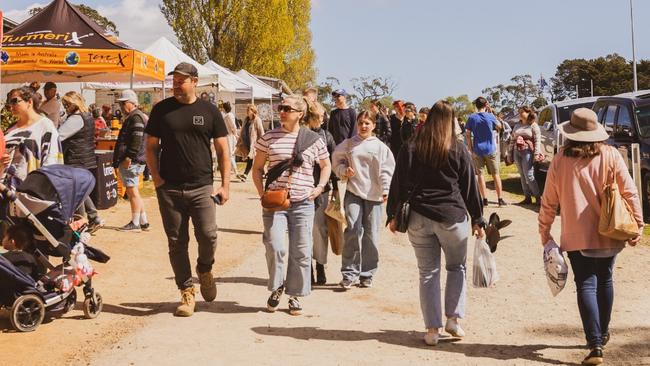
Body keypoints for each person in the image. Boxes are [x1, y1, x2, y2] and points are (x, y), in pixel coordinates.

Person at [538, 108, 643, 365]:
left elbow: (548, 201)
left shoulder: (561, 160)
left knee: (585, 283)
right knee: (606, 279)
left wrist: (545, 230)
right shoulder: (611, 155)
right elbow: (630, 191)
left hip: (576, 234)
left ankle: (595, 343)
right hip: (611, 230)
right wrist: (638, 224)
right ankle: (603, 332)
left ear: (571, 134)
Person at [387, 100, 485, 346]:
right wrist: (478, 218)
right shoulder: (458, 148)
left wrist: (392, 214)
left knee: (428, 273)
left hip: (419, 217)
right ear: (451, 121)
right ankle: (453, 318)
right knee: (456, 268)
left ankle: (432, 329)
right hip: (452, 217)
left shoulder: (411, 146)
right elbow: (470, 187)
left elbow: (398, 181)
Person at [145, 62, 231, 317]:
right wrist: (157, 179)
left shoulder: (209, 111)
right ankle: (186, 291)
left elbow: (223, 150)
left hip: (202, 187)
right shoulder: (161, 110)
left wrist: (225, 185)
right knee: (176, 242)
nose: (176, 85)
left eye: (181, 81)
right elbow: (150, 147)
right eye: (174, 81)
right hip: (169, 189)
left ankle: (204, 269)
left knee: (208, 234)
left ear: (195, 81)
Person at [251, 95, 331, 316]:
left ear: (300, 114)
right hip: (275, 203)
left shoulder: (313, 139)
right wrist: (262, 193)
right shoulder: (269, 136)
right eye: (280, 108)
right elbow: (257, 168)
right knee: (275, 246)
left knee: (301, 250)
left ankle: (294, 295)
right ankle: (277, 287)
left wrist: (320, 187)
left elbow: (326, 165)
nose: (282, 111)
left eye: (287, 108)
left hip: (303, 203)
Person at [333, 111, 394, 289]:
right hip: (354, 191)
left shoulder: (380, 147)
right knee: (352, 229)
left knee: (371, 235)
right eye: (361, 123)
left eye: (367, 123)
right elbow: (336, 160)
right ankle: (349, 273)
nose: (363, 126)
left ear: (373, 125)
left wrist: (385, 189)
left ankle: (367, 274)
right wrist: (344, 170)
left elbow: (386, 169)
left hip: (374, 195)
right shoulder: (349, 143)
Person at [59, 91, 105, 232]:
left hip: (76, 159)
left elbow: (59, 136)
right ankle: (93, 217)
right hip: (84, 158)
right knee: (81, 190)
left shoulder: (76, 119)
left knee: (76, 191)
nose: (65, 106)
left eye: (67, 104)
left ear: (75, 103)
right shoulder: (87, 116)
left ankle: (82, 222)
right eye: (64, 104)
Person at [305, 98, 337, 285]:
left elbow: (331, 163)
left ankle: (320, 264)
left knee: (319, 230)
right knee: (304, 230)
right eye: (320, 116)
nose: (323, 119)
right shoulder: (302, 134)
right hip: (304, 187)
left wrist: (334, 188)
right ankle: (306, 266)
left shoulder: (327, 136)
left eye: (324, 116)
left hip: (322, 189)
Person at [3, 87, 62, 183]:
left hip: (29, 189)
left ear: (29, 102)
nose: (10, 105)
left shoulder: (45, 126)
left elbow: (52, 160)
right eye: (9, 102)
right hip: (6, 189)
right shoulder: (11, 129)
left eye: (14, 101)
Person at [113, 90, 149, 232]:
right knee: (135, 191)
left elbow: (137, 139)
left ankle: (135, 223)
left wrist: (129, 157)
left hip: (132, 160)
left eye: (123, 103)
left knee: (132, 191)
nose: (121, 106)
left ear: (132, 103)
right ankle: (144, 221)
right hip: (136, 159)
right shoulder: (137, 116)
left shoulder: (135, 117)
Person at [465, 96, 506, 207]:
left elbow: (468, 134)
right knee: (496, 174)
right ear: (486, 105)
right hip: (490, 149)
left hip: (477, 149)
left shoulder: (471, 117)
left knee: (480, 175)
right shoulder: (490, 116)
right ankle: (500, 199)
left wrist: (470, 149)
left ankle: (484, 199)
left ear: (476, 105)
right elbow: (499, 127)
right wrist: (492, 113)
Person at [509, 106, 543, 205]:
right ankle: (527, 197)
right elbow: (512, 140)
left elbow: (537, 141)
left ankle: (538, 198)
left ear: (528, 113)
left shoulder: (533, 125)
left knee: (529, 175)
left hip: (527, 152)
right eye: (519, 112)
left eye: (522, 112)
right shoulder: (517, 125)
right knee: (522, 176)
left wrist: (536, 153)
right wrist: (509, 154)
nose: (520, 114)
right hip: (517, 151)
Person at [235, 104, 265, 182]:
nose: (247, 111)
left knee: (250, 158)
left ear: (253, 111)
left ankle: (245, 175)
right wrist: (239, 141)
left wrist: (262, 143)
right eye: (247, 110)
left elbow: (261, 132)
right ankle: (263, 173)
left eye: (249, 110)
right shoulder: (246, 120)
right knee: (256, 160)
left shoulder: (257, 120)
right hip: (246, 142)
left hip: (254, 143)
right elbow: (242, 131)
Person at [221, 101, 240, 179]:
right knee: (230, 154)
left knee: (230, 154)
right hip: (228, 136)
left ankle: (235, 171)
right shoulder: (227, 115)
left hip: (230, 136)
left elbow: (233, 126)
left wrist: (235, 134)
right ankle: (232, 170)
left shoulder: (228, 115)